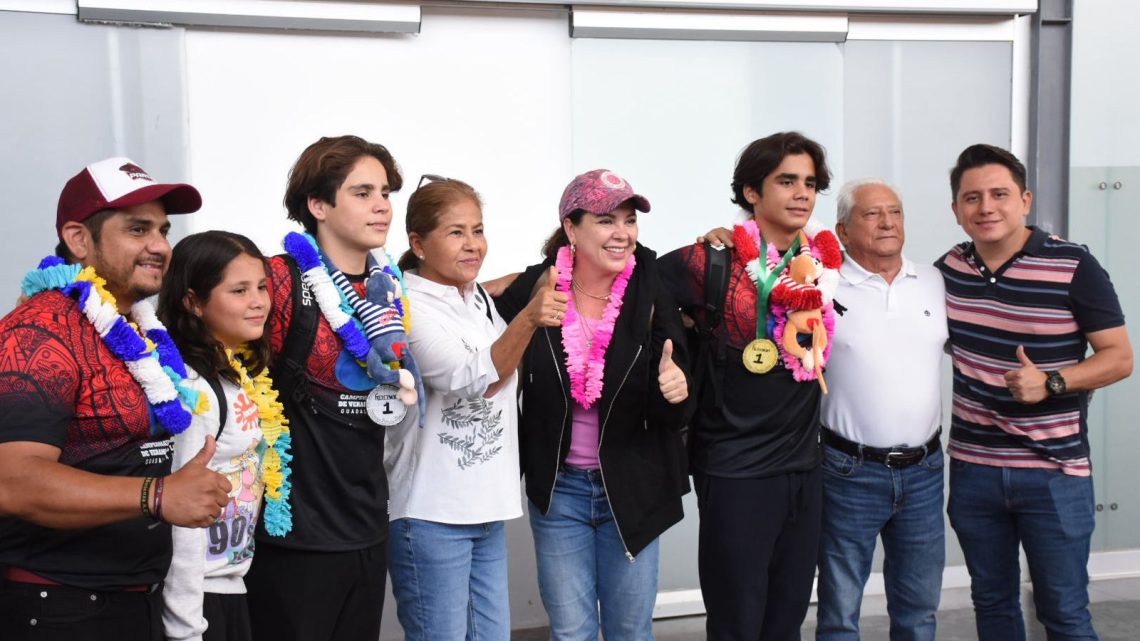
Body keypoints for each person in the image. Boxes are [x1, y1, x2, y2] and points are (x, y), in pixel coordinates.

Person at [0, 157, 231, 641]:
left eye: (163, 230)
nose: (160, 247)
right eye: (138, 229)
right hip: (59, 606)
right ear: (78, 238)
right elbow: (13, 482)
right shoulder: (38, 331)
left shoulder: (139, 329)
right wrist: (160, 495)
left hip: (137, 601)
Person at [936, 144, 1133, 641]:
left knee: (1064, 613)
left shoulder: (1073, 264)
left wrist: (1052, 382)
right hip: (974, 470)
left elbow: (1120, 357)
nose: (986, 207)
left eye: (999, 194)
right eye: (972, 197)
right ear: (957, 210)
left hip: (1055, 475)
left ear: (1024, 200)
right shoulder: (947, 272)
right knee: (994, 606)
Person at [494, 169, 691, 641]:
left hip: (634, 485)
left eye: (628, 220)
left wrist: (675, 390)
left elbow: (678, 404)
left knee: (630, 632)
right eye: (605, 220)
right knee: (571, 632)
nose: (621, 233)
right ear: (571, 228)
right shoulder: (539, 286)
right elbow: (467, 301)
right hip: (560, 492)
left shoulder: (651, 288)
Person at [660, 131, 842, 641]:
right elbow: (628, 284)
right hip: (735, 470)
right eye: (786, 181)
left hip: (804, 468)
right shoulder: (711, 260)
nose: (802, 193)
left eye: (809, 182)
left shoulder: (821, 264)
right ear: (751, 192)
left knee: (786, 620)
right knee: (738, 622)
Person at [244, 135, 421, 641]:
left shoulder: (390, 285)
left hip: (367, 524)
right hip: (294, 535)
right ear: (318, 204)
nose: (382, 206)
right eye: (362, 192)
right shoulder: (277, 282)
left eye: (385, 192)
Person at [384, 176, 564, 640]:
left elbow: (541, 274)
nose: (473, 245)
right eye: (456, 232)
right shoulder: (405, 306)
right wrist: (528, 316)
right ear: (418, 244)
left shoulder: (477, 298)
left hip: (485, 506)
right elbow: (472, 379)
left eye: (478, 230)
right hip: (430, 512)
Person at [814, 179, 948, 641]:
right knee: (839, 612)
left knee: (918, 611)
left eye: (894, 212)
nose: (887, 222)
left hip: (926, 472)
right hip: (848, 470)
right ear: (843, 230)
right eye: (872, 214)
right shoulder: (821, 287)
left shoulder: (933, 282)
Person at [158, 231, 287, 641]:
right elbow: (180, 515)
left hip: (231, 586)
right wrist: (186, 629)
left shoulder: (237, 375)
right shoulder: (192, 387)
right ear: (193, 301)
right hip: (198, 600)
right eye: (239, 290)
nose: (258, 301)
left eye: (262, 287)